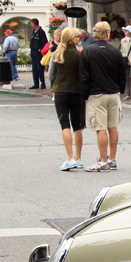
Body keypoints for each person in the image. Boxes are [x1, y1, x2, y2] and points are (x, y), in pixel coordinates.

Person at [79, 21, 126, 172]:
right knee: (113, 127)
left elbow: (84, 76)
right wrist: (120, 89)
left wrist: (84, 95)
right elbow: (122, 74)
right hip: (113, 93)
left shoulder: (88, 51)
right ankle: (112, 158)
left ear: (95, 33)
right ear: (108, 33)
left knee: (100, 128)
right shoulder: (115, 51)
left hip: (96, 93)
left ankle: (103, 161)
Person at [50, 27, 84, 171]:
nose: (79, 38)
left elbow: (51, 75)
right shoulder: (79, 55)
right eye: (76, 36)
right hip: (77, 92)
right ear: (71, 38)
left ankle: (70, 158)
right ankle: (78, 157)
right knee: (77, 126)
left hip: (61, 92)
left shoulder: (57, 54)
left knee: (65, 125)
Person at [29, 18, 49, 89]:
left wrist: (41, 50)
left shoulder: (41, 32)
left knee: (39, 68)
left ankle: (42, 83)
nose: (31, 25)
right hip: (33, 51)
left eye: (31, 24)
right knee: (34, 68)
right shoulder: (33, 32)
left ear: (34, 24)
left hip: (38, 52)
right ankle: (36, 84)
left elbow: (45, 43)